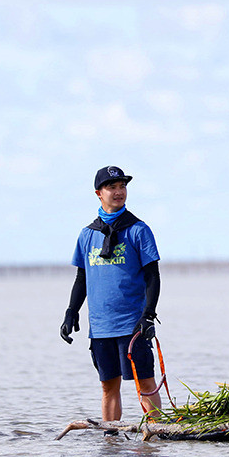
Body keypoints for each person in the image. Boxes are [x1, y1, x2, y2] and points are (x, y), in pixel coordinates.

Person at [59, 166, 163, 421]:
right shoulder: (88, 234)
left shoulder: (138, 229)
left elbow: (152, 276)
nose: (119, 192)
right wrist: (71, 312)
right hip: (101, 327)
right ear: (99, 193)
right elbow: (82, 278)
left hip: (132, 324)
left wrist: (148, 315)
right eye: (112, 187)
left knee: (145, 383)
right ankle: (110, 439)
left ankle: (157, 435)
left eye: (122, 186)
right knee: (108, 387)